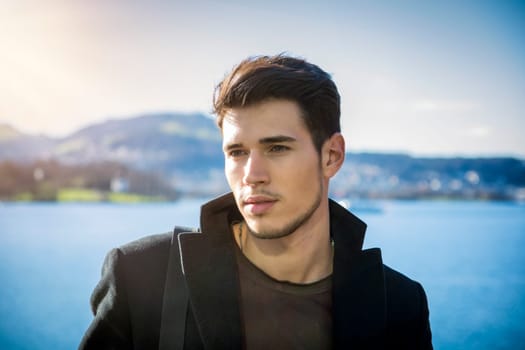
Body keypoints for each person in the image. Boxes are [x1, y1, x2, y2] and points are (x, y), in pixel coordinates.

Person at [80, 54, 432, 349]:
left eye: (276, 148)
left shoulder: (399, 305)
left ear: (332, 156)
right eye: (236, 152)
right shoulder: (140, 275)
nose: (252, 174)